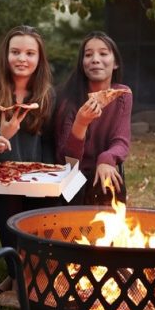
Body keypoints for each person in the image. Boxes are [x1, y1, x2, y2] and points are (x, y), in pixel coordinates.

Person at [0, 25, 57, 306]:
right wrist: (1, 136)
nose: (22, 58)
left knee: (43, 205)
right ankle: (21, 282)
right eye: (15, 51)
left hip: (35, 182)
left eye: (30, 53)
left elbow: (51, 147)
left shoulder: (46, 94)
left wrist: (52, 177)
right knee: (9, 195)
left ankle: (20, 278)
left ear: (39, 59)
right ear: (5, 54)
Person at [55, 31, 131, 205]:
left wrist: (106, 160)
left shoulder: (123, 95)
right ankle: (70, 232)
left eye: (103, 53)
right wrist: (81, 123)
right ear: (82, 64)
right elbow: (66, 159)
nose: (95, 59)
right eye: (88, 55)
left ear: (116, 63)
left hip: (101, 168)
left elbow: (121, 141)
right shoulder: (68, 99)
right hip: (71, 173)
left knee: (111, 186)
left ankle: (110, 232)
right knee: (74, 189)